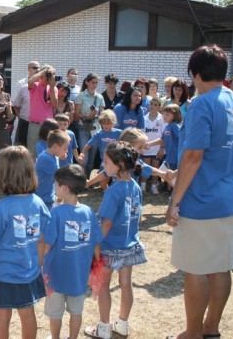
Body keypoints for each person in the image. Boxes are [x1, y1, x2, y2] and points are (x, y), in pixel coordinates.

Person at [165, 45, 233, 339]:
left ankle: (192, 333)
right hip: (229, 196)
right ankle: (211, 328)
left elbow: (193, 157)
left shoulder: (201, 104)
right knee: (221, 266)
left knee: (197, 269)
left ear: (197, 74)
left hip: (201, 200)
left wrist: (174, 201)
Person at [0, 146, 51, 339]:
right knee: (28, 314)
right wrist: (37, 265)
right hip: (28, 272)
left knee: (2, 318)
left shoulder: (1, 208)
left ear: (4, 176)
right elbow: (43, 239)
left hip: (2, 274)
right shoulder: (38, 203)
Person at [85, 142, 146, 339]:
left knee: (103, 286)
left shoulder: (113, 191)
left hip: (110, 246)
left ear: (119, 164)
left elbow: (106, 223)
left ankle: (103, 328)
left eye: (106, 162)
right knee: (126, 284)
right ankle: (122, 324)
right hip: (130, 245)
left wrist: (94, 245)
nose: (103, 166)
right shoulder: (135, 186)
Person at [43, 165, 102, 339]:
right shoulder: (88, 212)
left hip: (56, 275)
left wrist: (39, 264)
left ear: (64, 188)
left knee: (55, 313)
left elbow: (47, 245)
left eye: (55, 184)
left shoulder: (56, 213)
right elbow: (96, 244)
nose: (54, 187)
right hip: (79, 275)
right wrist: (96, 265)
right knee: (76, 311)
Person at [80, 110, 121, 189]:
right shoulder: (99, 134)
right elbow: (88, 145)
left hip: (117, 162)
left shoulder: (119, 133)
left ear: (113, 123)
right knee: (103, 182)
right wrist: (83, 153)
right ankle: (107, 191)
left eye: (108, 123)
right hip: (105, 162)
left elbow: (127, 142)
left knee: (117, 181)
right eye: (103, 124)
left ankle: (115, 193)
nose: (106, 126)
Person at [74, 73, 105, 176]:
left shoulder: (100, 97)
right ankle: (81, 179)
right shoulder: (81, 95)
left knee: (92, 157)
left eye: (96, 83)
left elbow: (103, 114)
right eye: (93, 82)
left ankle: (87, 179)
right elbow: (76, 115)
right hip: (83, 128)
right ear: (87, 82)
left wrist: (96, 116)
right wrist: (87, 116)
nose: (95, 85)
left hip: (96, 128)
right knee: (84, 156)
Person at [27, 65, 58, 157]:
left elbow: (54, 105)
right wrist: (43, 72)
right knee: (32, 152)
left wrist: (52, 88)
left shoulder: (53, 88)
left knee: (48, 151)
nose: (51, 77)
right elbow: (30, 81)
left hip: (48, 124)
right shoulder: (35, 85)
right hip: (35, 124)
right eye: (49, 75)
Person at [36, 129, 71, 209]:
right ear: (55, 147)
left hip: (48, 197)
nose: (67, 151)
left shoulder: (52, 156)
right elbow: (60, 177)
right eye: (65, 148)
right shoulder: (46, 159)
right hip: (42, 200)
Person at [141, 97, 166, 195]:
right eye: (151, 104)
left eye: (156, 105)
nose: (153, 106)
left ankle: (154, 186)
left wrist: (162, 148)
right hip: (146, 147)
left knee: (155, 167)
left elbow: (164, 135)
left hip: (157, 148)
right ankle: (143, 185)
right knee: (145, 167)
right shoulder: (144, 118)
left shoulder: (162, 119)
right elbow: (142, 134)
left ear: (159, 107)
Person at [13, 61, 40, 147]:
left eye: (38, 68)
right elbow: (15, 103)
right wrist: (20, 117)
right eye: (34, 68)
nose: (37, 70)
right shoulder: (21, 84)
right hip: (25, 121)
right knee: (21, 146)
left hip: (38, 122)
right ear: (28, 69)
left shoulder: (42, 84)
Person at [148, 104, 182, 171]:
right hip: (169, 159)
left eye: (167, 114)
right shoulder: (168, 126)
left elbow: (182, 140)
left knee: (171, 179)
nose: (164, 116)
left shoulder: (175, 127)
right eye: (164, 114)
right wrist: (148, 144)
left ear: (175, 115)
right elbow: (162, 140)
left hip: (175, 160)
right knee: (160, 173)